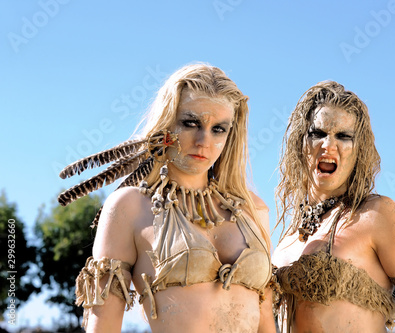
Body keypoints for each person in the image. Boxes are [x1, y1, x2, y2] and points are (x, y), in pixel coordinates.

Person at [58, 63, 276, 332]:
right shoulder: (129, 206)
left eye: (219, 129)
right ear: (166, 124)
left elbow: (266, 320)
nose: (203, 140)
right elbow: (102, 325)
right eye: (190, 123)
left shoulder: (254, 210)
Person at [272, 81, 395, 333]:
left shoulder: (377, 215)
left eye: (343, 136)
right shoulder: (286, 241)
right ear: (301, 143)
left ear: (359, 151)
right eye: (318, 133)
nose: (328, 145)